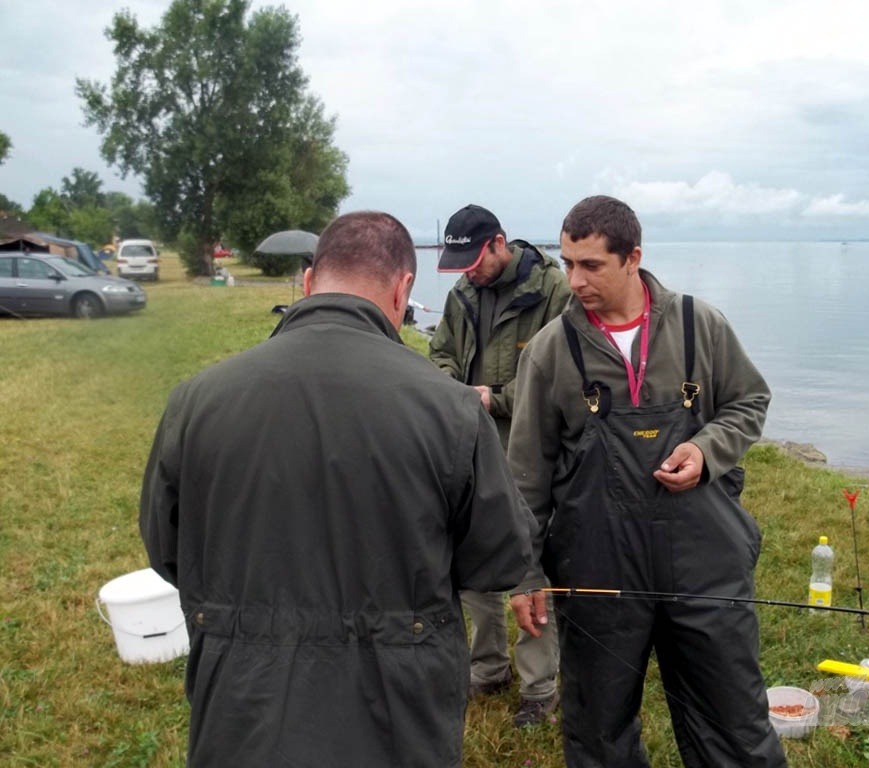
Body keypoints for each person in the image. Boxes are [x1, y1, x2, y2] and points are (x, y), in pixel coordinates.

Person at [139, 211, 535, 768]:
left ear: (307, 283)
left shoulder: (196, 400)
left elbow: (166, 548)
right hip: (396, 715)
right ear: (403, 291)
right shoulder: (451, 410)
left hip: (240, 709)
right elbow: (498, 558)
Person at [508, 195, 787, 766]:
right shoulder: (549, 351)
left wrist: (706, 450)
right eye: (566, 263)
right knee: (599, 730)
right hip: (597, 569)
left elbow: (749, 401)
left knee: (733, 721)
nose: (575, 280)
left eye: (591, 266)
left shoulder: (699, 325)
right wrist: (523, 572)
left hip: (703, 560)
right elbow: (526, 478)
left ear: (633, 258)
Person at [429, 203, 570, 726]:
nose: (467, 270)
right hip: (468, 447)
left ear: (498, 242)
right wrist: (451, 388)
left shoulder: (554, 290)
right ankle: (487, 668)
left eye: (473, 258)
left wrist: (499, 398)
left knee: (529, 567)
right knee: (472, 564)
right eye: (457, 261)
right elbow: (440, 351)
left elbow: (564, 373)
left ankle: (540, 687)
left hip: (529, 449)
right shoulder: (460, 294)